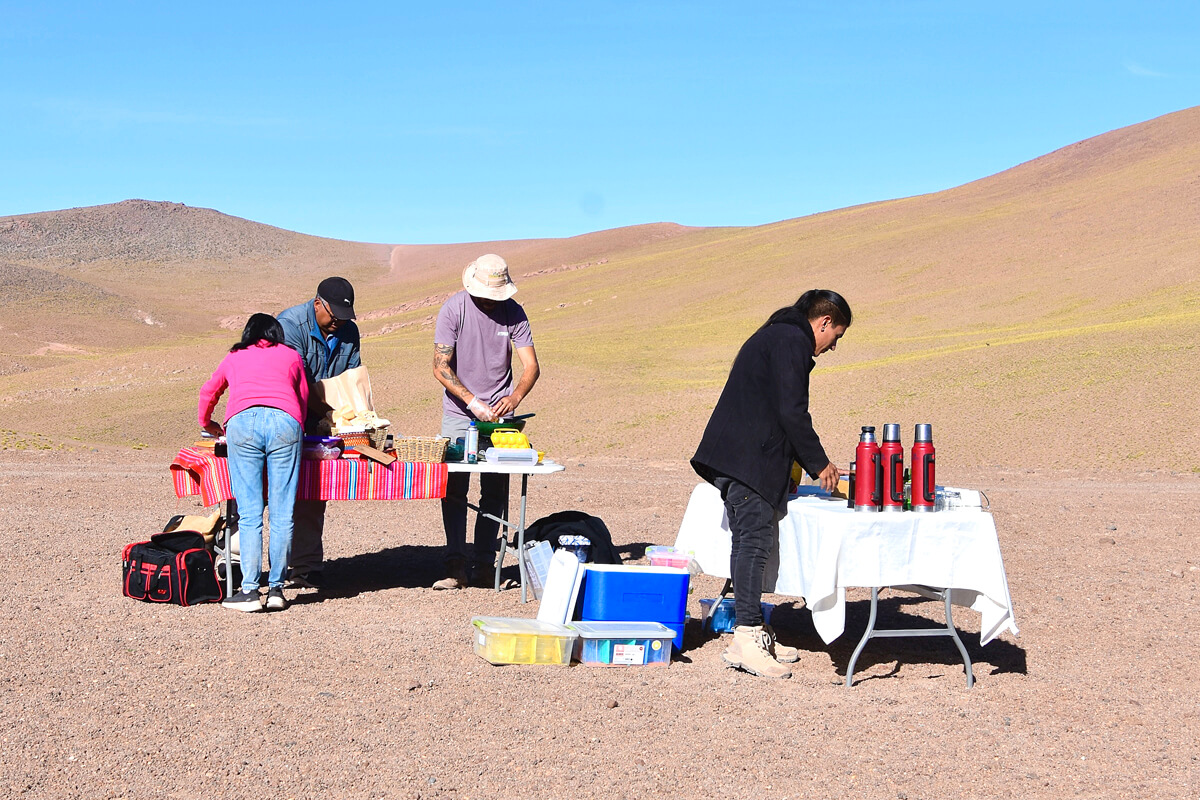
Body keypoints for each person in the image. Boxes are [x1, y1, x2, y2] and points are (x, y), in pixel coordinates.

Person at [691, 289, 851, 678]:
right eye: (837, 336)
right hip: (747, 460)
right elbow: (791, 411)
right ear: (824, 322)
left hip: (740, 457)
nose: (833, 347)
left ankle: (752, 631)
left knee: (749, 543)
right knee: (753, 544)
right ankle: (746, 639)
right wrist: (819, 464)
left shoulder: (778, 335)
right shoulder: (791, 339)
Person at [432, 254, 540, 589]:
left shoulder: (514, 313)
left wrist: (514, 398)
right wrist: (472, 402)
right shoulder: (454, 309)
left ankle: (483, 563)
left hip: (501, 420)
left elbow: (531, 366)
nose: (492, 302)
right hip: (459, 414)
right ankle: (455, 564)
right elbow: (440, 366)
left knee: (495, 490)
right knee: (453, 489)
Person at [199, 314, 309, 612]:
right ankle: (276, 590)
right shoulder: (291, 356)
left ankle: (249, 591)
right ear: (276, 333)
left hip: (242, 424)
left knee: (249, 514)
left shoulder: (235, 356)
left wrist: (207, 423)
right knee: (283, 513)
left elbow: (209, 391)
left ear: (248, 332)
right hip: (285, 422)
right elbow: (302, 397)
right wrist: (297, 424)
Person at [277, 277, 361, 589]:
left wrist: (354, 415)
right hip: (287, 417)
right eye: (335, 315)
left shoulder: (348, 331)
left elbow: (352, 378)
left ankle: (305, 566)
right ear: (317, 304)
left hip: (324, 420)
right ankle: (247, 564)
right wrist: (331, 412)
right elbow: (296, 381)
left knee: (313, 492)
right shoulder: (289, 326)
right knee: (273, 490)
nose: (340, 322)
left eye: (345, 316)